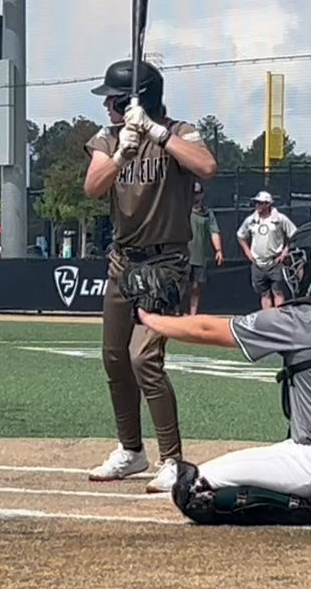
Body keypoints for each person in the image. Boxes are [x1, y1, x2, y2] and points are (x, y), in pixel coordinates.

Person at [137, 218, 311, 528]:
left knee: (193, 490)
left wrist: (151, 319)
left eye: (299, 261)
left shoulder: (298, 318)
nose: (294, 269)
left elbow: (207, 329)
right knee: (286, 458)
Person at [81, 58, 218, 493]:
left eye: (112, 100)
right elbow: (93, 187)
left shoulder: (179, 132)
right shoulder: (108, 138)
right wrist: (122, 153)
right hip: (123, 261)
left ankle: (173, 459)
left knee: (144, 359)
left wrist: (156, 133)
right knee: (115, 357)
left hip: (166, 262)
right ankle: (131, 450)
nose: (106, 107)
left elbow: (206, 167)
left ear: (132, 101)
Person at [237, 191, 297, 309]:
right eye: (256, 203)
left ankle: (278, 318)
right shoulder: (251, 220)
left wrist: (285, 252)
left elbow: (294, 234)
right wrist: (247, 252)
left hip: (275, 262)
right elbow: (240, 235)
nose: (257, 205)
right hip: (258, 263)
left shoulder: (280, 219)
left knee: (278, 292)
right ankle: (267, 318)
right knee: (264, 294)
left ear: (268, 204)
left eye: (260, 203)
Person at [186, 182, 224, 315]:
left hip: (199, 257)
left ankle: (193, 315)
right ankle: (176, 313)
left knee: (196, 286)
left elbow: (214, 232)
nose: (194, 196)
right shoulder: (182, 210)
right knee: (181, 286)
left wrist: (218, 250)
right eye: (192, 193)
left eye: (197, 193)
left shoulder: (208, 214)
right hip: (182, 256)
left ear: (202, 194)